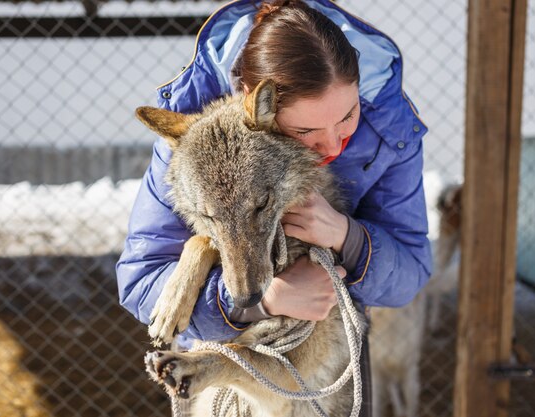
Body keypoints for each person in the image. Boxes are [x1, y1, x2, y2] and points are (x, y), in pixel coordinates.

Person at [117, 0, 431, 344]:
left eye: (347, 117)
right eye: (305, 131)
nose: (332, 146)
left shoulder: (392, 128)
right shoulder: (191, 140)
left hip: (330, 351)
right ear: (259, 105)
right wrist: (264, 301)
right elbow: (141, 281)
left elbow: (411, 273)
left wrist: (346, 236)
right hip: (220, 357)